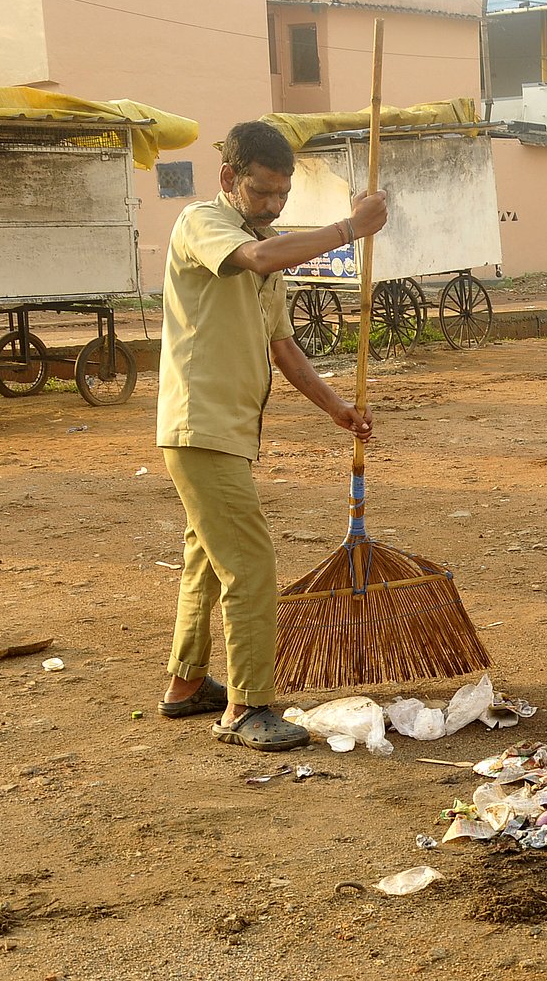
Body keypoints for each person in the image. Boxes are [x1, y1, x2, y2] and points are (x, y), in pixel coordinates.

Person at [155, 121, 388, 750]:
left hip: (226, 430)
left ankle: (186, 683)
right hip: (198, 427)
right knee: (250, 565)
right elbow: (255, 257)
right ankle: (248, 706)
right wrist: (349, 231)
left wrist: (335, 407)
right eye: (262, 193)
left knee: (206, 558)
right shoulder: (201, 225)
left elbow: (283, 346)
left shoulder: (264, 245)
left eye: (282, 195)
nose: (273, 206)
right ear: (230, 179)